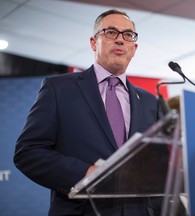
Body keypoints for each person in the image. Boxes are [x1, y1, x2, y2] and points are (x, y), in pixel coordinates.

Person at [14, 9, 162, 216]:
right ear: (94, 42)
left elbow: (161, 166)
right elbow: (28, 153)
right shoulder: (59, 89)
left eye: (128, 35)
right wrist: (87, 174)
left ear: (134, 48)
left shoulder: (150, 102)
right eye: (111, 32)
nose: (120, 40)